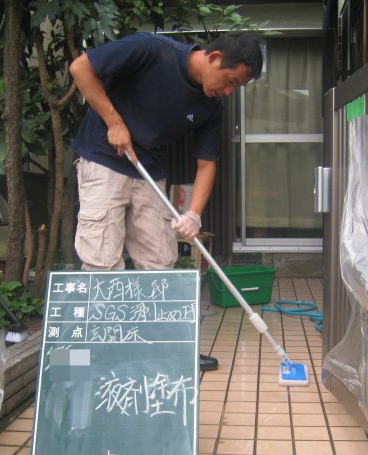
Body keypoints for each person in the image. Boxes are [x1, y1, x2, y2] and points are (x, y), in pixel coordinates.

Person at [69, 31, 263, 371]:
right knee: (102, 261)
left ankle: (169, 348)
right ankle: (106, 353)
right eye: (230, 81)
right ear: (214, 58)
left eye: (237, 87)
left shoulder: (211, 105)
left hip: (149, 171)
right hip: (103, 157)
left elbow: (207, 164)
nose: (229, 91)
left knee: (159, 262)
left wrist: (195, 214)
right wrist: (114, 121)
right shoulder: (150, 49)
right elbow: (81, 68)